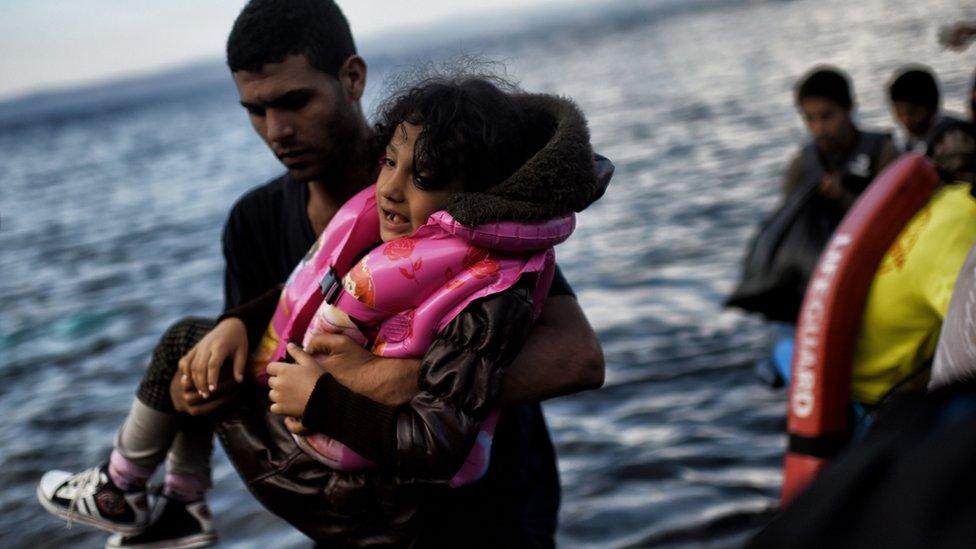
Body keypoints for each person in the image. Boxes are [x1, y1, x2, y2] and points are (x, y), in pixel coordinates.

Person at [36, 1, 610, 547]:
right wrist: (221, 344)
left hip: (493, 518)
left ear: (353, 77)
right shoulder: (254, 224)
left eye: (293, 101)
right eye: (256, 111)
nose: (276, 129)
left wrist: (398, 381)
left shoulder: (458, 192)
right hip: (353, 524)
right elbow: (279, 370)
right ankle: (171, 506)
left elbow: (578, 355)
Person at [731, 66, 897, 382]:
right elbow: (787, 227)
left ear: (850, 107)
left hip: (879, 273)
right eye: (810, 119)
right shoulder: (802, 166)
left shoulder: (882, 153)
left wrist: (846, 197)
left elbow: (899, 217)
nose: (819, 128)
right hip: (823, 280)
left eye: (827, 116)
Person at [887, 65, 966, 155]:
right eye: (899, 111)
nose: (906, 118)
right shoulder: (911, 141)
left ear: (931, 107)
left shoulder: (956, 139)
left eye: (913, 112)